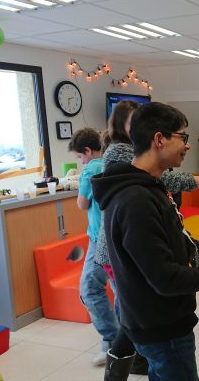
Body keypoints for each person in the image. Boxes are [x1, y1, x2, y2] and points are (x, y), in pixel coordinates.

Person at [92, 102, 199, 381]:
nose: (187, 146)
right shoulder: (136, 201)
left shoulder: (150, 188)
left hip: (163, 322)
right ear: (159, 139)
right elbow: (164, 277)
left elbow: (179, 239)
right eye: (182, 137)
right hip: (162, 326)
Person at [68, 128, 118, 366]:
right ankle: (123, 343)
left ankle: (112, 340)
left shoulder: (91, 168)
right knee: (121, 291)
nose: (81, 161)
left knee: (90, 289)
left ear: (87, 151)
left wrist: (81, 177)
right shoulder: (113, 163)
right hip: (114, 237)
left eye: (79, 156)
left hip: (99, 239)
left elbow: (82, 204)